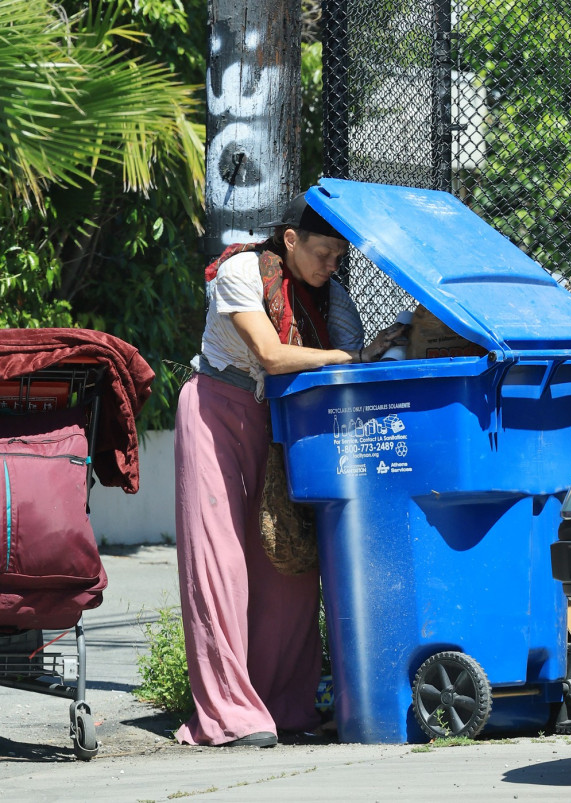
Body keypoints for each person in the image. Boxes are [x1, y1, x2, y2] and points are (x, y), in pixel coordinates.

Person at [174, 192, 406, 748]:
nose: (331, 266)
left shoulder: (335, 298)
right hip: (215, 405)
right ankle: (227, 714)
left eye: (338, 258)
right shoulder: (240, 269)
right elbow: (273, 355)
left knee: (291, 566)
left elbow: (368, 362)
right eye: (323, 253)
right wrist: (350, 357)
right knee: (219, 563)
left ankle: (284, 707)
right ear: (292, 240)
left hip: (283, 424)